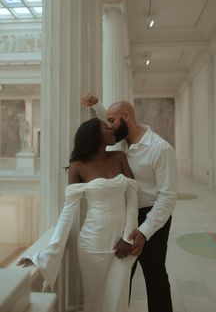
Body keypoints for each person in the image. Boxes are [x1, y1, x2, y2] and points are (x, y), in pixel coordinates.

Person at [17, 118, 138, 312]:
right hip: (92, 243)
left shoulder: (119, 157)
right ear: (94, 135)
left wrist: (128, 237)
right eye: (107, 127)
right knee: (94, 299)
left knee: (119, 299)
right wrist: (47, 252)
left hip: (122, 242)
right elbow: (68, 211)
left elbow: (132, 200)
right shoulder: (77, 166)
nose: (112, 130)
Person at [81, 94, 177, 312]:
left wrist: (144, 231)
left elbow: (168, 197)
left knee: (155, 276)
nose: (110, 127)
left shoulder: (161, 149)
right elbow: (108, 119)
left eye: (112, 121)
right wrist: (96, 105)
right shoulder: (121, 141)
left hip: (153, 216)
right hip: (124, 215)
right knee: (121, 276)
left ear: (126, 116)